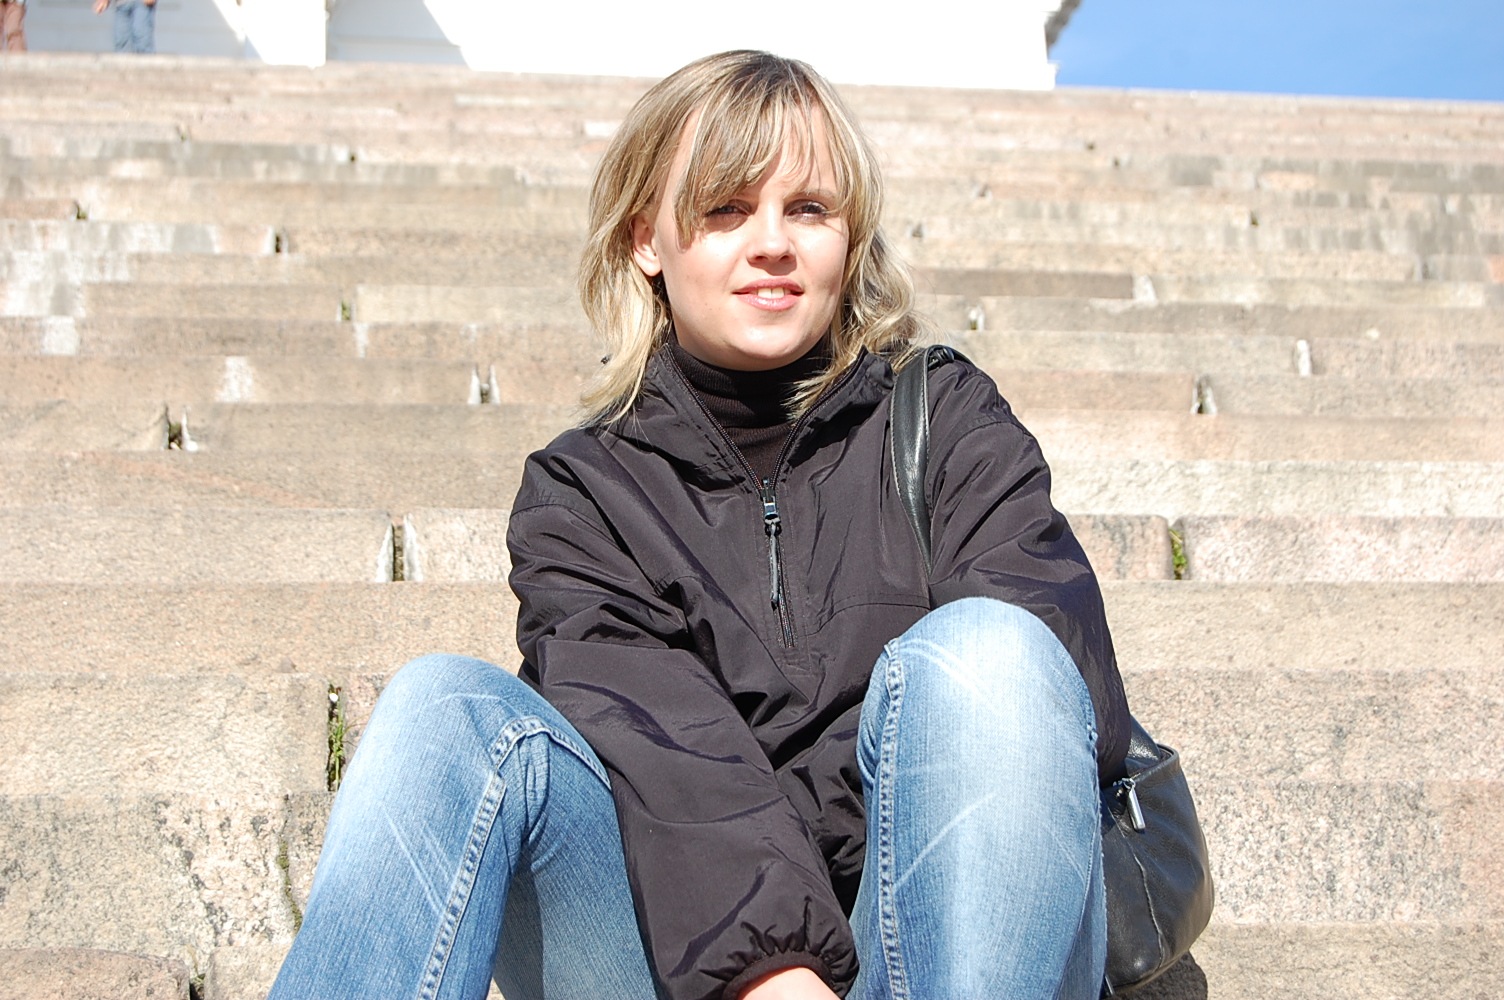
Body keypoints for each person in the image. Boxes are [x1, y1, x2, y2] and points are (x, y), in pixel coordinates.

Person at [268, 49, 1130, 1000]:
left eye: (810, 208)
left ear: (851, 236)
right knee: (446, 710)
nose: (773, 244)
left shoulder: (946, 421)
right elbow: (660, 745)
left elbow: (1054, 702)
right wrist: (777, 969)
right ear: (647, 239)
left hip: (956, 947)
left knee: (993, 655)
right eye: (726, 209)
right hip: (696, 965)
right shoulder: (585, 495)